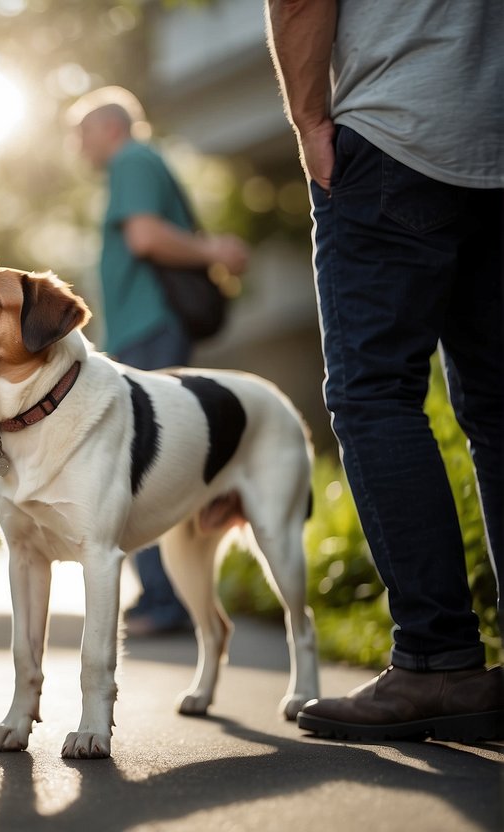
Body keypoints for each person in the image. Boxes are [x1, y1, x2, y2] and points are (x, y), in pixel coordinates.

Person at [267, 0, 503, 741]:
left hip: (399, 130)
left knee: (375, 395)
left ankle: (437, 663)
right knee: (498, 409)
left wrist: (309, 123)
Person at [68, 86, 249, 637]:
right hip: (141, 329)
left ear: (111, 128)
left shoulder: (133, 159)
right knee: (144, 454)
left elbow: (144, 237)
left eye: (82, 133)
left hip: (149, 328)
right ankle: (165, 598)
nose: (77, 147)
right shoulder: (136, 164)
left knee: (140, 458)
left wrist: (214, 251)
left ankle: (163, 602)